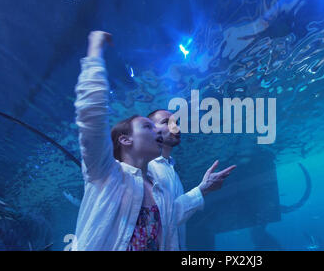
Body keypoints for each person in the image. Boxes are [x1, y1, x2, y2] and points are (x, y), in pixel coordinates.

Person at [73, 31, 236, 251]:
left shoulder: (157, 188)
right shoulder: (107, 173)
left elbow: (171, 217)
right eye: (149, 126)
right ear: (125, 139)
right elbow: (91, 117)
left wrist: (203, 189)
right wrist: (94, 50)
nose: (164, 130)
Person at [147, 110, 237, 250]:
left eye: (176, 123)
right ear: (149, 131)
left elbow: (173, 224)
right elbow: (165, 219)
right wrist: (202, 189)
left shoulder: (171, 170)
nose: (175, 127)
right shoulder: (147, 168)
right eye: (166, 122)